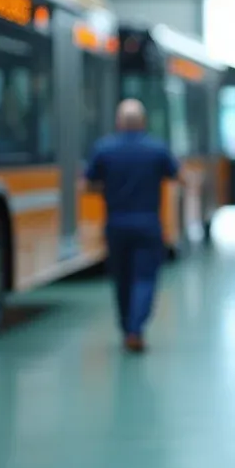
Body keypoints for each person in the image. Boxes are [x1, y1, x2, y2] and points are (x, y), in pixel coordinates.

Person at [83, 98, 182, 353]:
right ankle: (136, 329)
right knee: (145, 278)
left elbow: (89, 183)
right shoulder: (157, 150)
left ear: (118, 122)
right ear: (143, 123)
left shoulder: (104, 149)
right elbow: (175, 175)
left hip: (116, 225)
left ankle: (127, 326)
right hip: (148, 224)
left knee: (122, 278)